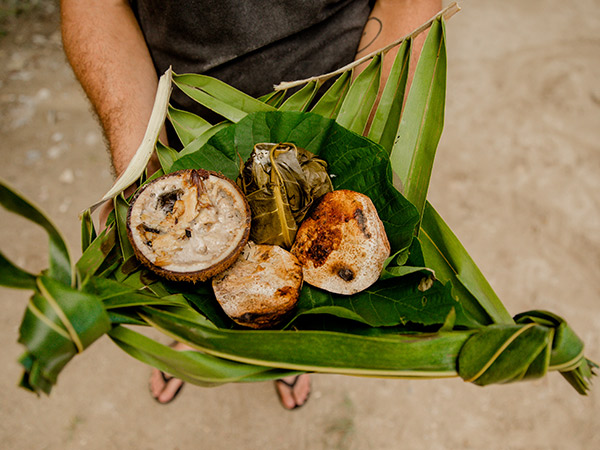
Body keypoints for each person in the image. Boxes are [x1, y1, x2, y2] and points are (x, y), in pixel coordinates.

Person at [60, 0, 441, 409]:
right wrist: (139, 167)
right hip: (186, 119)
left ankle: (288, 359)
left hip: (336, 102)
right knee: (189, 278)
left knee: (302, 295)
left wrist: (363, 139)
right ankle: (190, 337)